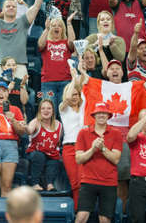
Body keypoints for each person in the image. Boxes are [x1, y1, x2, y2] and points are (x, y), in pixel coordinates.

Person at [75, 102, 122, 223]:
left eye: (104, 113)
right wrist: (92, 149)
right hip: (88, 180)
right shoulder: (83, 133)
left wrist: (102, 148)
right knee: (81, 217)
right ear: (94, 115)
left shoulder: (116, 133)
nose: (101, 115)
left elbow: (116, 159)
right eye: (99, 113)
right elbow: (79, 159)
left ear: (108, 116)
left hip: (109, 182)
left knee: (105, 219)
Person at [38, 16, 76, 114]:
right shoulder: (46, 43)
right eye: (53, 26)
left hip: (65, 82)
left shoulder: (66, 43)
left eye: (59, 26)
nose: (56, 27)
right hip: (48, 83)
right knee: (49, 112)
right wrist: (46, 29)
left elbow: (72, 43)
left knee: (65, 112)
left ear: (62, 29)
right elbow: (40, 45)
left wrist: (68, 23)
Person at [59, 67, 84, 210]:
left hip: (83, 147)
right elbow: (68, 98)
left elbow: (85, 91)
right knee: (75, 182)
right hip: (69, 148)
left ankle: (83, 211)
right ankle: (77, 212)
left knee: (83, 182)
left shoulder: (83, 107)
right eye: (73, 94)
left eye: (77, 94)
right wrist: (74, 79)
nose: (74, 97)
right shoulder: (63, 108)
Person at [25, 99, 62, 191]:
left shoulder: (59, 125)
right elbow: (29, 131)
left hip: (50, 153)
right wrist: (25, 126)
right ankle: (35, 183)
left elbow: (58, 142)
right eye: (43, 108)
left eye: (49, 108)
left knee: (55, 159)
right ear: (39, 111)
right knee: (39, 156)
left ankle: (50, 184)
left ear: (53, 111)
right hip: (35, 152)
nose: (46, 111)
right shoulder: (35, 122)